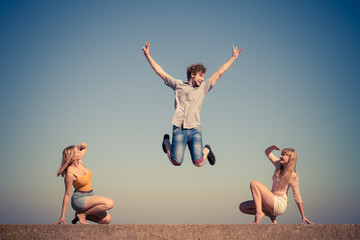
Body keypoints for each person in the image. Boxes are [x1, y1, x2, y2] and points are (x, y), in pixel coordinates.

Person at [142, 41, 242, 167]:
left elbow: (220, 72)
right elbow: (159, 71)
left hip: (195, 128)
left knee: (199, 163)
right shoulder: (178, 85)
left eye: (204, 76)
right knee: (176, 162)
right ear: (192, 74)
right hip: (179, 128)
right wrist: (147, 56)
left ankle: (207, 149)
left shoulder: (203, 88)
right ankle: (166, 141)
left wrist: (233, 57)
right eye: (201, 76)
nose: (202, 79)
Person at [239, 145, 313, 224]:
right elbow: (267, 152)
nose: (280, 156)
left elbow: (297, 197)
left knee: (254, 184)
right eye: (281, 154)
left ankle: (259, 213)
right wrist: (273, 147)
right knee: (243, 207)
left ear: (291, 158)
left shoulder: (293, 175)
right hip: (271, 200)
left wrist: (303, 216)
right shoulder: (278, 164)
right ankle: (270, 215)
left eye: (284, 154)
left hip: (279, 204)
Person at [54, 143, 114, 224]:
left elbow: (84, 146)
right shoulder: (70, 174)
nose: (80, 152)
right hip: (79, 199)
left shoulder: (80, 161)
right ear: (73, 156)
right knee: (109, 203)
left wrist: (77, 147)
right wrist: (62, 216)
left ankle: (80, 215)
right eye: (77, 152)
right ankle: (83, 214)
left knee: (106, 220)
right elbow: (67, 195)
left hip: (90, 196)